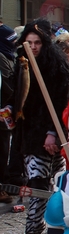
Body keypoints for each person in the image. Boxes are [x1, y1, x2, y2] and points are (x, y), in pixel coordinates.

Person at [7, 18, 69, 234]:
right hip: (27, 131)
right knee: (47, 179)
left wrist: (53, 132)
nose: (32, 46)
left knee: (39, 180)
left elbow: (61, 102)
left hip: (47, 132)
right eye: (29, 41)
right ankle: (57, 219)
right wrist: (10, 109)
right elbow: (19, 94)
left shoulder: (57, 65)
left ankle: (34, 228)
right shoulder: (22, 62)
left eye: (37, 42)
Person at [0, 21, 18, 203]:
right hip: (3, 109)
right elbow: (9, 86)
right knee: (2, 148)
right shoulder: (2, 57)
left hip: (5, 109)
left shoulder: (7, 57)